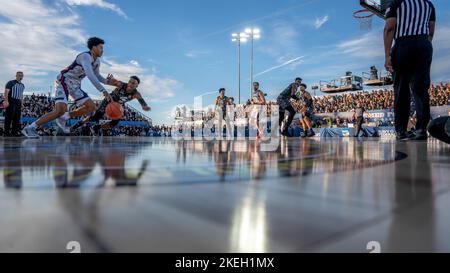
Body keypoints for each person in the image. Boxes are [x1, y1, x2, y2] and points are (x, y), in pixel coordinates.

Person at [22, 37, 119, 138]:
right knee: (60, 110)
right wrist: (103, 90)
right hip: (64, 80)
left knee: (91, 107)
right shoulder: (85, 56)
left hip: (75, 84)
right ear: (93, 47)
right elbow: (90, 75)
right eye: (100, 48)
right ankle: (30, 128)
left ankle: (65, 117)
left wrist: (110, 82)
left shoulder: (97, 61)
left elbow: (97, 76)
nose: (102, 50)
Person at [384, 0, 436, 140]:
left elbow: (389, 27)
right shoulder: (428, 4)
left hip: (403, 44)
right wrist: (423, 46)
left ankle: (401, 131)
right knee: (420, 89)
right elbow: (431, 30)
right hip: (424, 44)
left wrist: (387, 55)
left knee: (401, 89)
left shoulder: (396, 3)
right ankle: (421, 130)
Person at [71, 76, 151, 136]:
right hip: (109, 100)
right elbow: (110, 82)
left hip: (118, 105)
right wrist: (109, 80)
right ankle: (78, 124)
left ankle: (97, 127)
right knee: (96, 117)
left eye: (133, 83)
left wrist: (145, 107)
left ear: (136, 86)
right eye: (130, 82)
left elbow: (143, 103)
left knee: (114, 123)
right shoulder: (121, 85)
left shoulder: (136, 94)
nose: (130, 84)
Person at [3, 72, 25, 137]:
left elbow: (21, 94)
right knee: (9, 116)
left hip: (18, 101)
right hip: (11, 100)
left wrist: (22, 103)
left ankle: (14, 132)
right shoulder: (11, 82)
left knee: (17, 117)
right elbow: (6, 92)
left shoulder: (23, 85)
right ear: (16, 76)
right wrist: (6, 101)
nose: (20, 77)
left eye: (21, 76)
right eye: (19, 75)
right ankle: (6, 132)